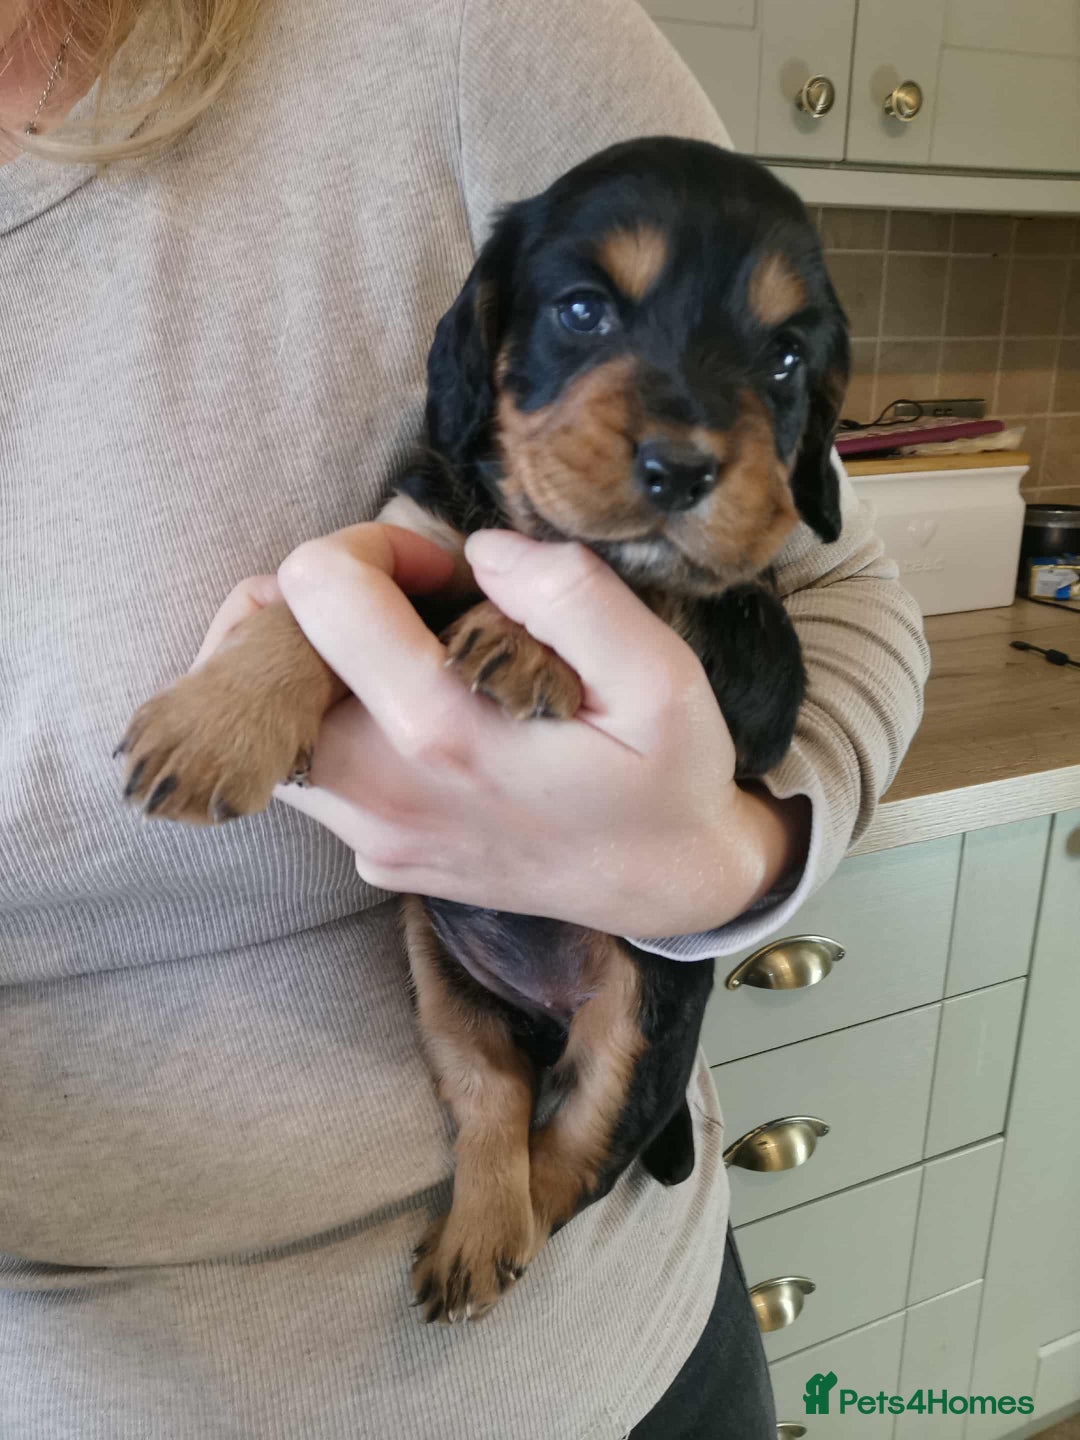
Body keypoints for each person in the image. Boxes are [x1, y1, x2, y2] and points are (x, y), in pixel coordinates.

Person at [0, 1, 929, 1436]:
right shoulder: (465, 467)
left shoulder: (465, 33)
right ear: (486, 341)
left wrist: (721, 864)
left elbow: (840, 587)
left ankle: (541, 1185)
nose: (684, 427)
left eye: (780, 369)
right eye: (588, 314)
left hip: (581, 1374)